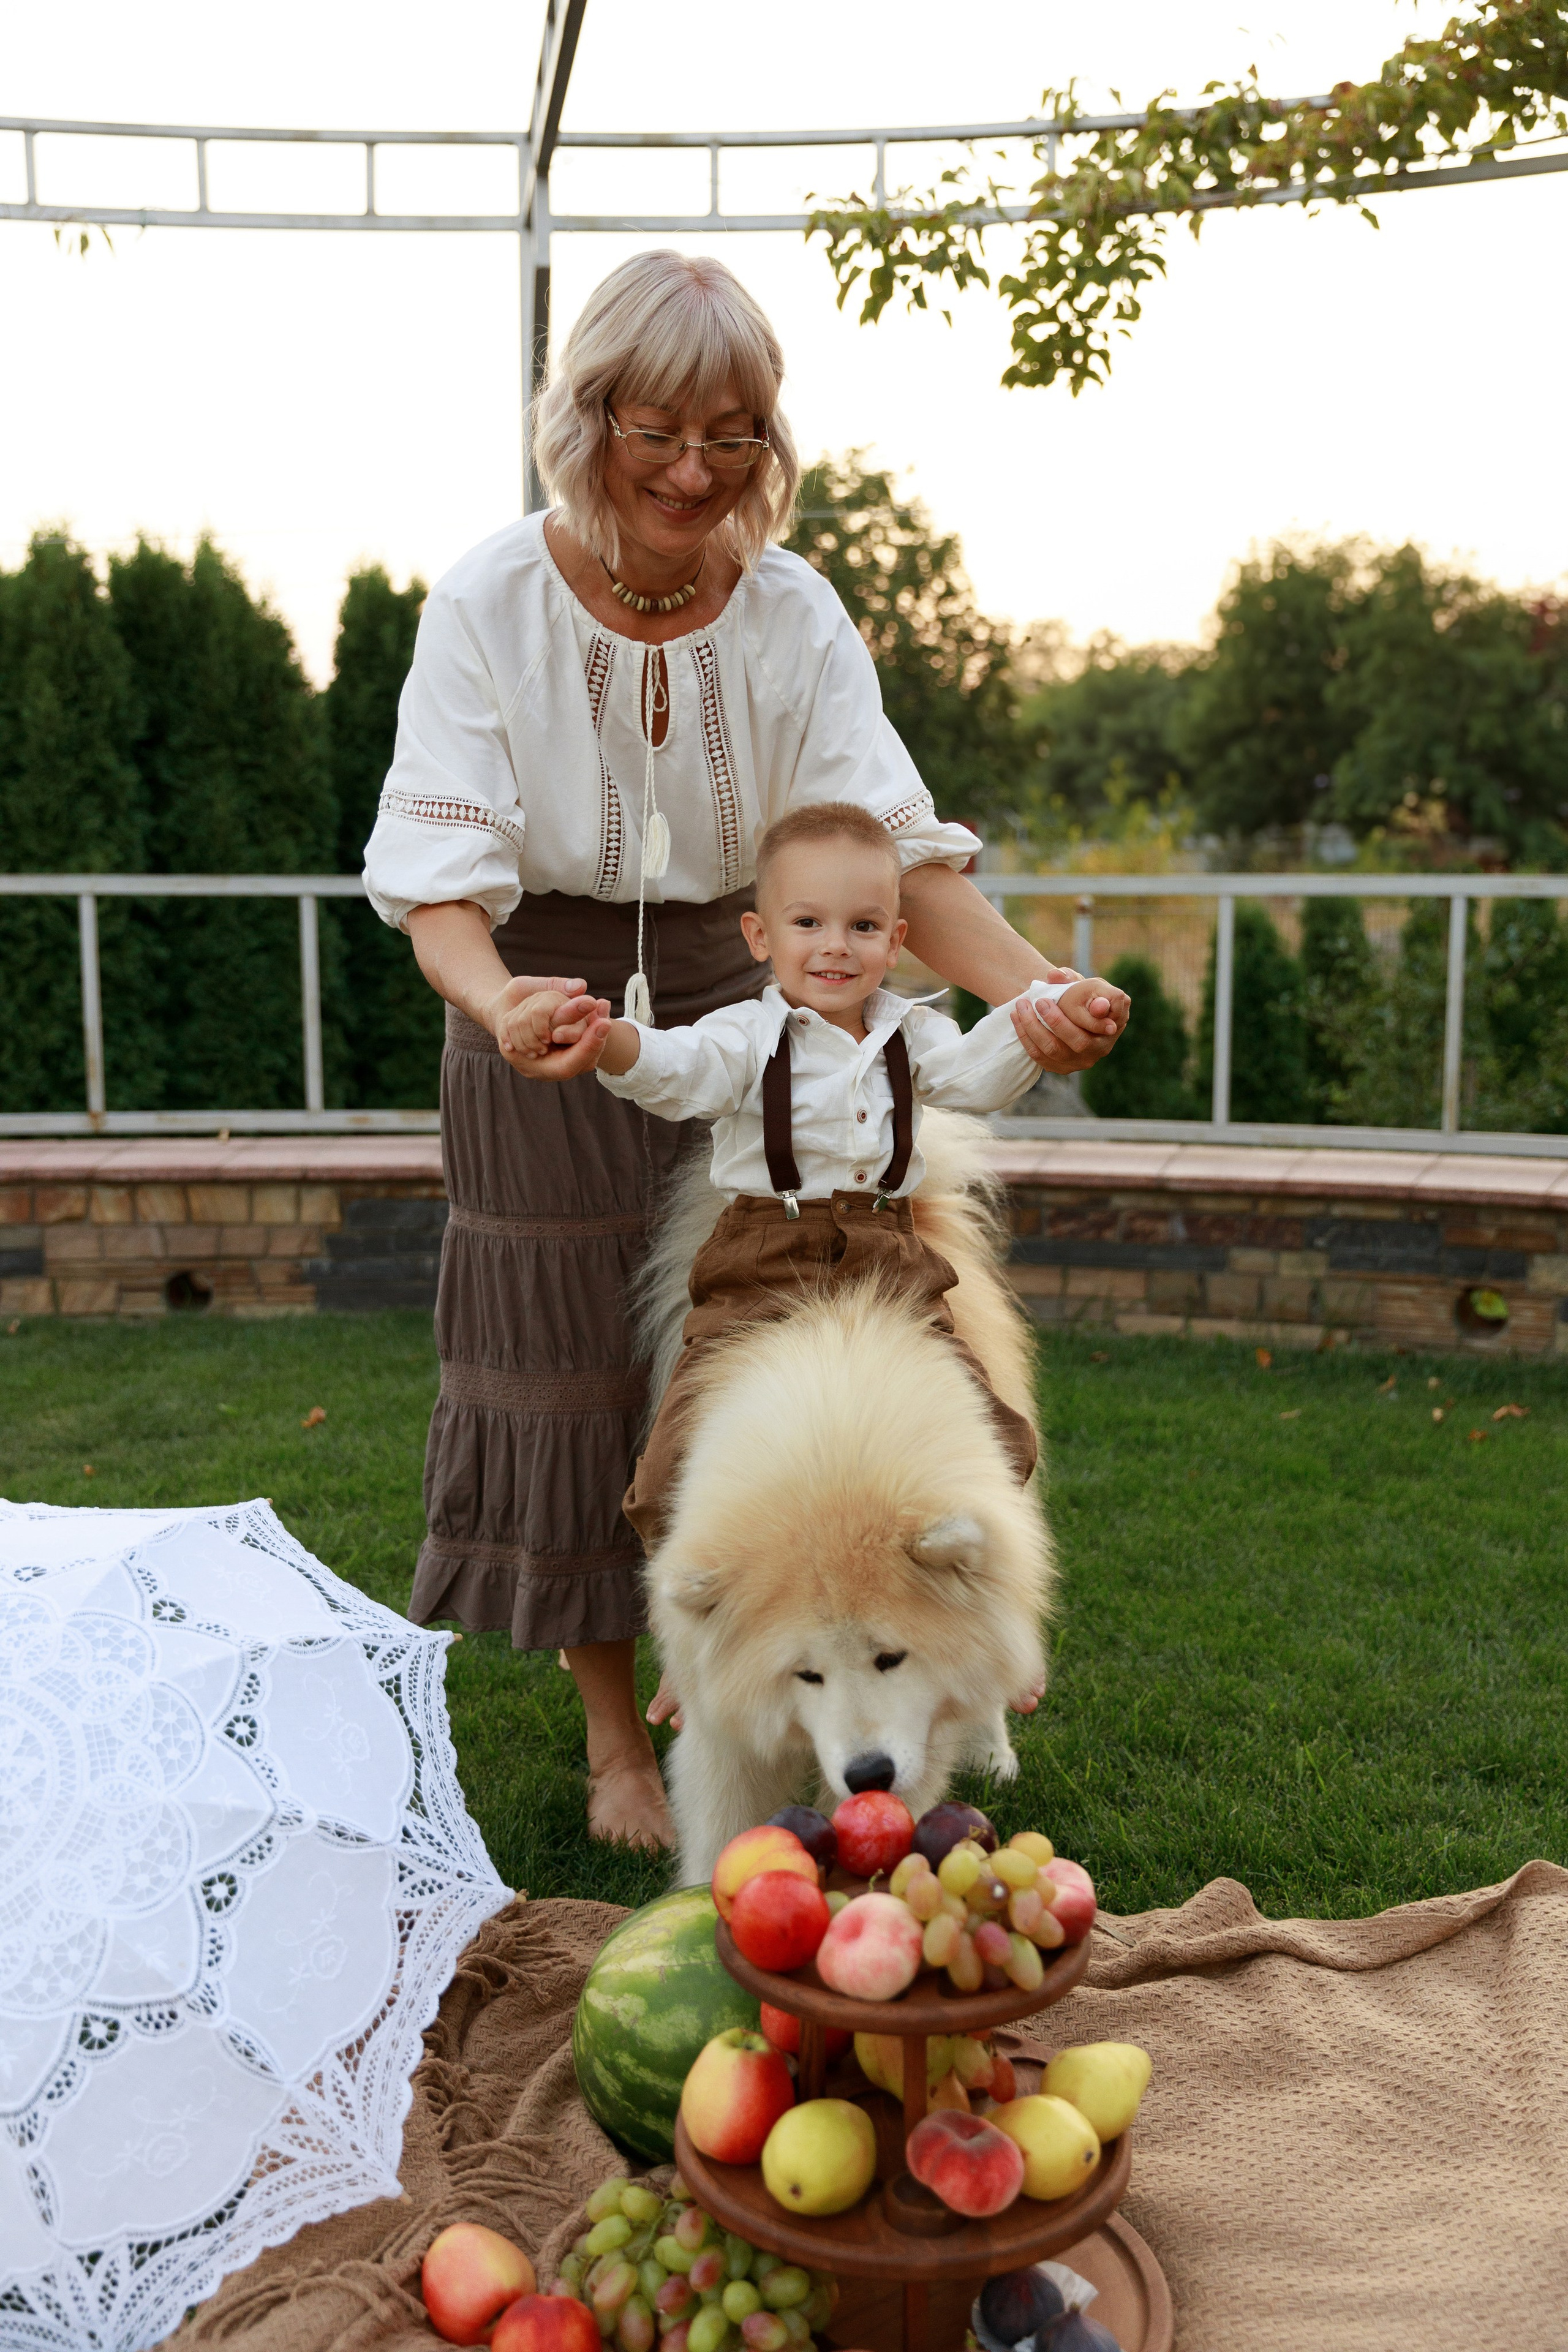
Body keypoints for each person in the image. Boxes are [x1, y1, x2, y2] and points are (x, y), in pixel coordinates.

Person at [363, 249, 1128, 1853]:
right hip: (539, 997)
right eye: (658, 432)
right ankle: (615, 1739)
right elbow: (436, 886)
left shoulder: (792, 611)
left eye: (729, 435)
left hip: (761, 979)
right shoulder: (489, 598)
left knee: (789, 1324)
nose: (692, 471)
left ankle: (806, 1653)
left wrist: (1033, 993)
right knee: (573, 1368)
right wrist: (501, 1004)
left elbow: (892, 858)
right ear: (588, 420)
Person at [507, 799, 1129, 1549]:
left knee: (992, 1424)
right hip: (762, 1258)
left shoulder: (912, 1034)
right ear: (759, 936)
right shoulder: (744, 1037)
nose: (835, 946)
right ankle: (697, 1574)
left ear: (895, 942)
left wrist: (1054, 1008)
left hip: (891, 1255)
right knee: (681, 1441)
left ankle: (962, 1557)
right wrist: (605, 1038)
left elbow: (978, 1071)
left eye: (862, 926)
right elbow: (677, 1068)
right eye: (808, 923)